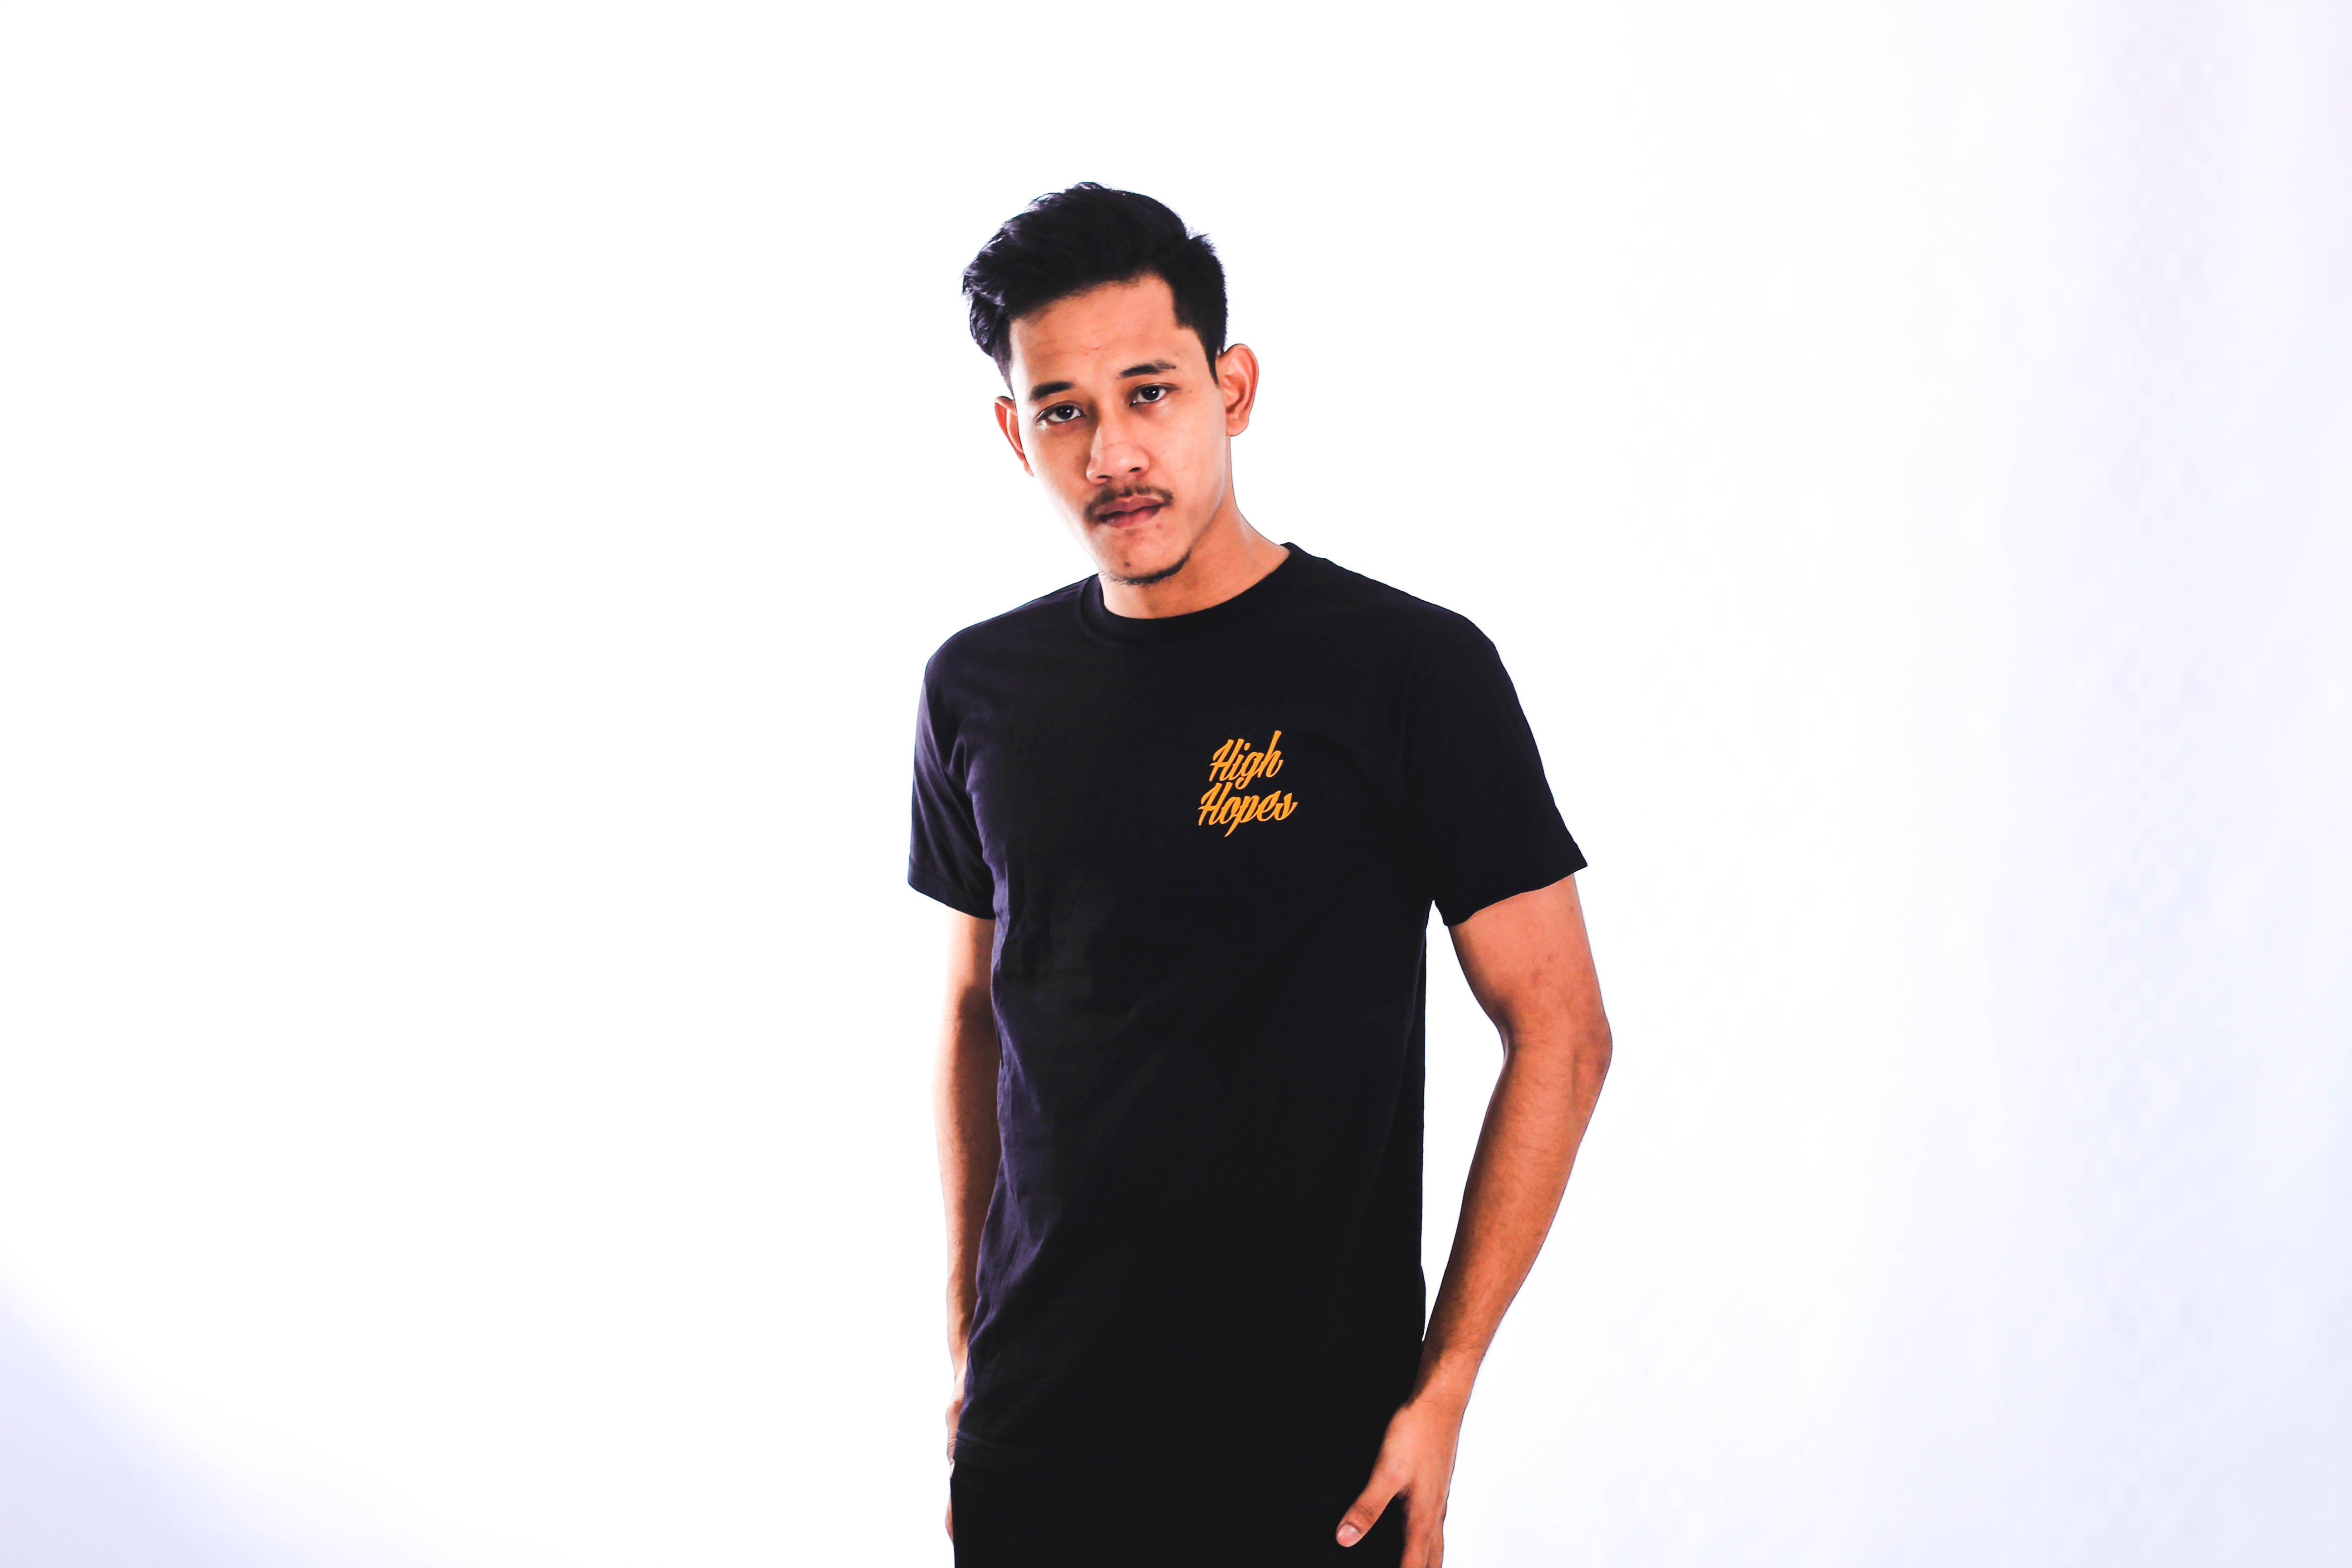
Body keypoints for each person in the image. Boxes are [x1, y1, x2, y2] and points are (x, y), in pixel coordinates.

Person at [909, 184, 1612, 1568]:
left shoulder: (1408, 672)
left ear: (1232, 389)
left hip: (1315, 1456)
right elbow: (975, 1015)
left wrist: (1446, 1385)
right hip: (1040, 1444)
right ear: (1014, 433)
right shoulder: (977, 688)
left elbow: (1563, 1028)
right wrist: (968, 1347)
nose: (1113, 451)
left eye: (1150, 392)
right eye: (1063, 412)